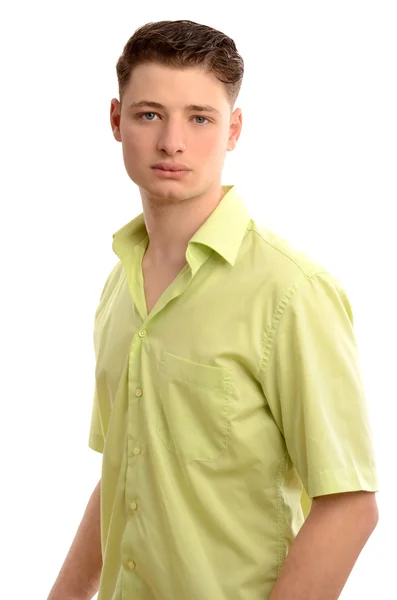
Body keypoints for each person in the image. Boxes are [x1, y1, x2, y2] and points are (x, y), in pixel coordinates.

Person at [47, 19, 379, 600]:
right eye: (150, 114)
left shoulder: (290, 291)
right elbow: (124, 467)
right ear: (116, 121)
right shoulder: (116, 288)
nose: (173, 141)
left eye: (200, 118)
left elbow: (350, 506)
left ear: (234, 130)